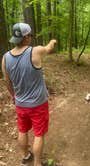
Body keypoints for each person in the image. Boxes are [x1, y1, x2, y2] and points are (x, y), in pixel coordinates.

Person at [1, 23, 56, 166]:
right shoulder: (35, 51)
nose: (31, 37)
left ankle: (25, 156)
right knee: (39, 134)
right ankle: (37, 163)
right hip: (38, 104)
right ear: (26, 37)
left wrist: (14, 96)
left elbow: (7, 81)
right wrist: (53, 41)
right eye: (30, 35)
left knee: (22, 130)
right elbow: (49, 49)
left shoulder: (5, 57)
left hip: (20, 103)